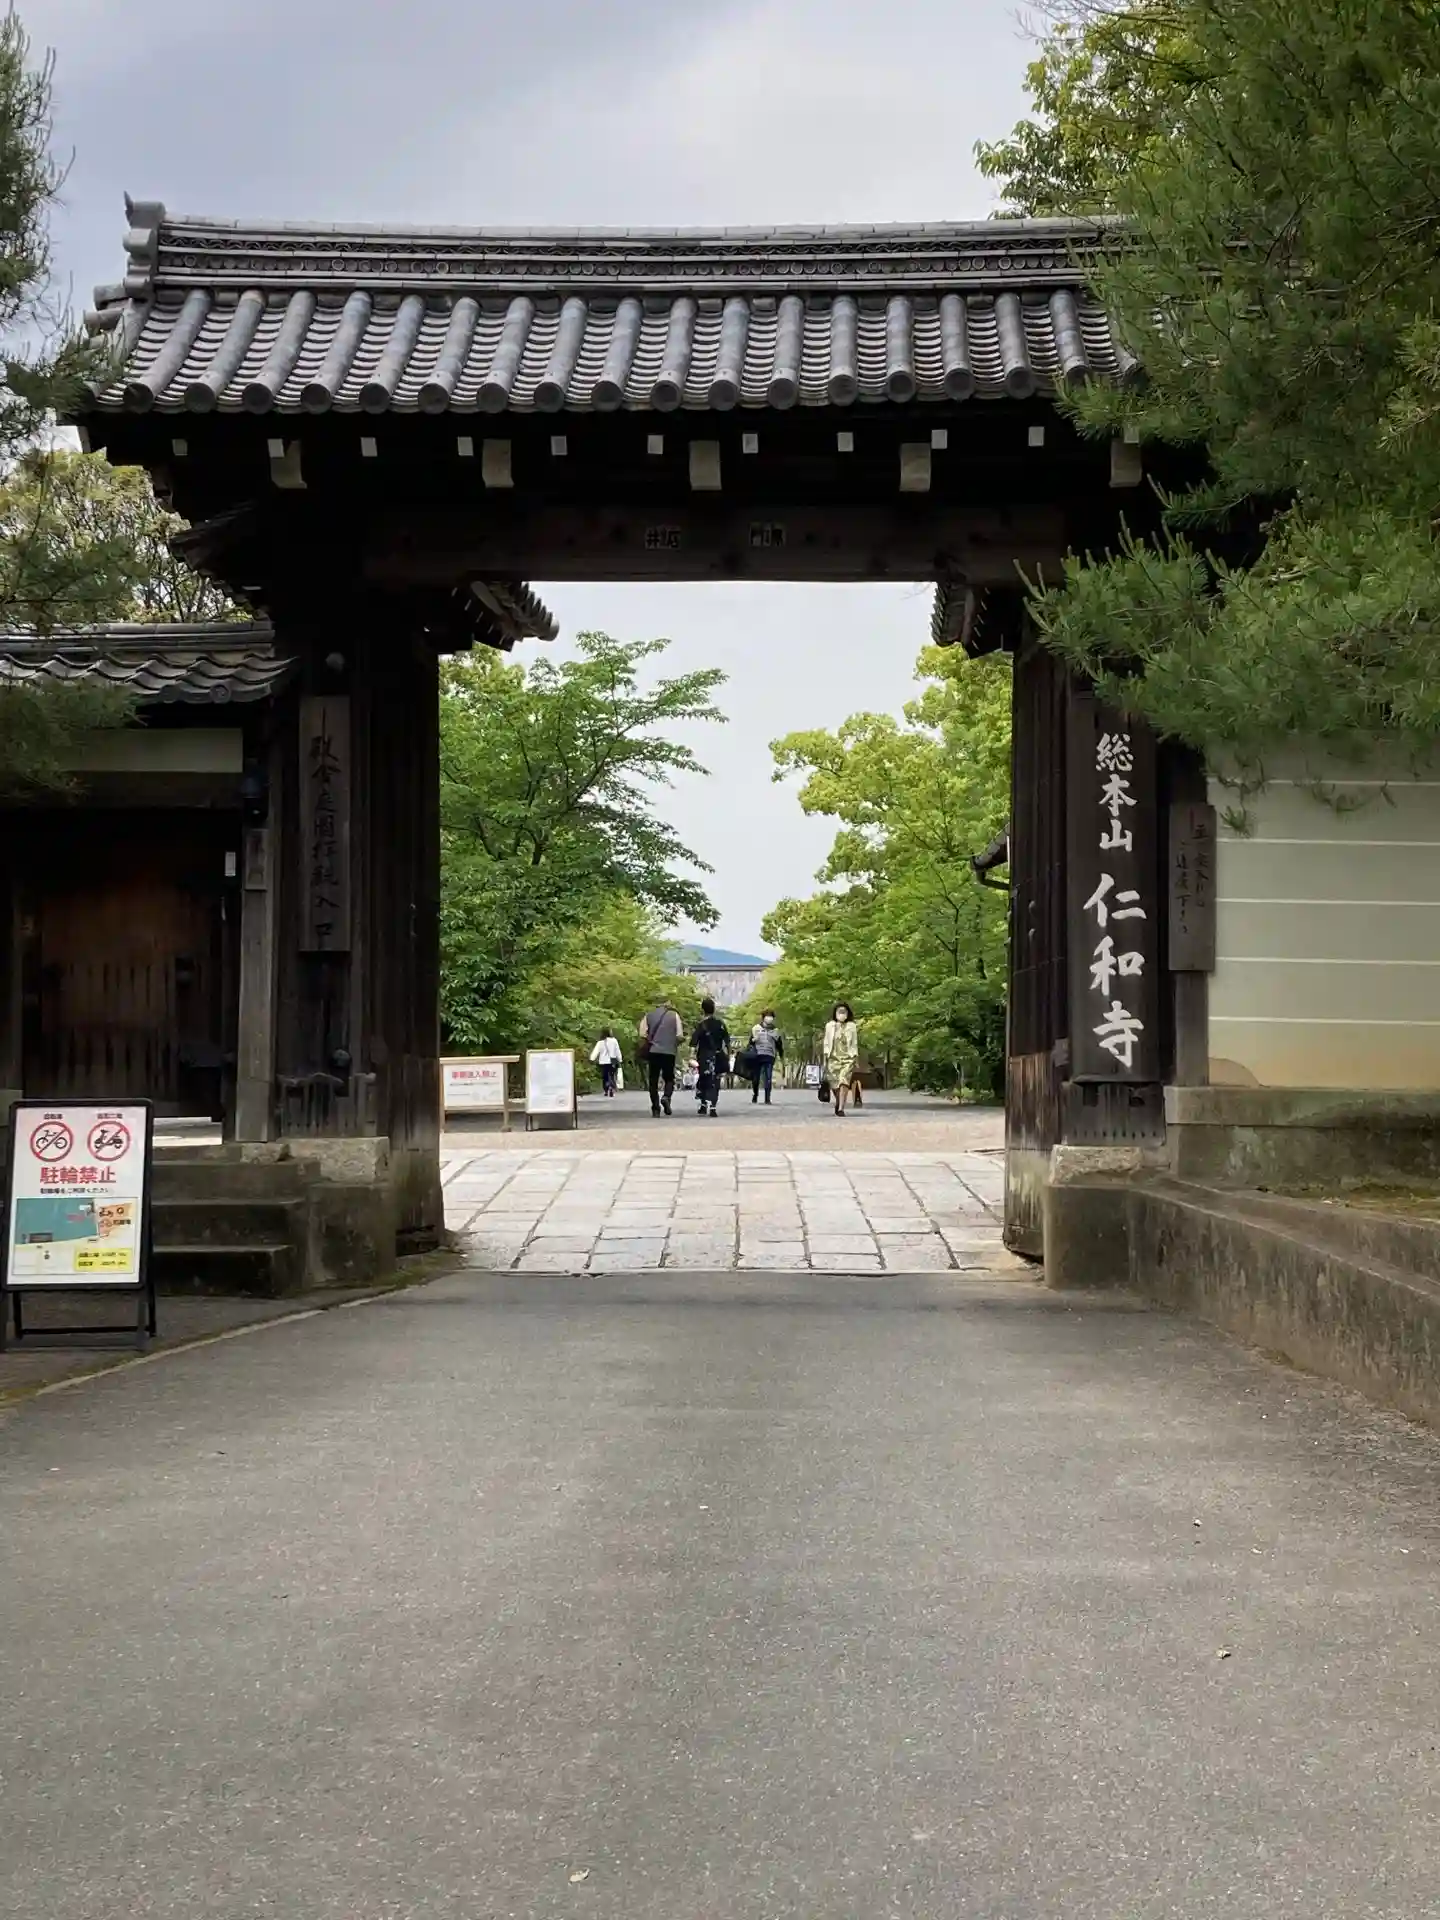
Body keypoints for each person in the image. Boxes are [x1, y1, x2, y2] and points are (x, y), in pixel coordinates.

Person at [638, 998, 683, 1117]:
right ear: (667, 1003)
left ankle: (655, 1108)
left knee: (653, 1080)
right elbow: (679, 1035)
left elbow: (642, 1034)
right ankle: (666, 1097)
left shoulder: (648, 1015)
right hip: (669, 1052)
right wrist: (674, 1044)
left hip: (653, 1051)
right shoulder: (674, 1015)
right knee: (669, 1078)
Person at [691, 997, 731, 1118]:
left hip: (704, 1056)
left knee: (704, 1078)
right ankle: (713, 1106)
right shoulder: (720, 1024)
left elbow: (694, 1042)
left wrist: (691, 1056)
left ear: (703, 1010)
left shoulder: (701, 1025)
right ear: (714, 1009)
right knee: (716, 1080)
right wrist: (728, 1055)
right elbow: (727, 1041)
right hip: (718, 1055)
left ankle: (703, 1105)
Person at [822, 1001, 861, 1116]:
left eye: (844, 1012)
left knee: (844, 1081)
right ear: (835, 1013)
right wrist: (825, 1056)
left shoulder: (852, 1026)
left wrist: (855, 1058)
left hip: (847, 1059)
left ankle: (841, 1108)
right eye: (840, 1012)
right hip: (833, 1058)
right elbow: (826, 1042)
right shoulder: (830, 1026)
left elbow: (854, 1043)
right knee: (835, 1084)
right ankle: (839, 1101)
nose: (842, 1014)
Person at [748, 1009, 784, 1105]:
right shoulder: (756, 1028)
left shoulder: (775, 1031)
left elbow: (779, 1044)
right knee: (756, 1078)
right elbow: (750, 1042)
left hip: (769, 1055)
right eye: (768, 1016)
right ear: (763, 1018)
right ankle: (755, 1094)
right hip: (757, 1055)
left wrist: (781, 1055)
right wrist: (754, 1039)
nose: (769, 1018)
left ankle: (767, 1098)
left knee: (768, 1077)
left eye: (771, 1017)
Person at [589, 1028, 622, 1097]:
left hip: (603, 1061)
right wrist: (620, 1059)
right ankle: (611, 1087)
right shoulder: (614, 1041)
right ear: (609, 1033)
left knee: (605, 1076)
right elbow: (617, 1050)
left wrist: (592, 1059)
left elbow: (596, 1051)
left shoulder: (600, 1042)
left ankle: (606, 1090)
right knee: (612, 1075)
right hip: (613, 1060)